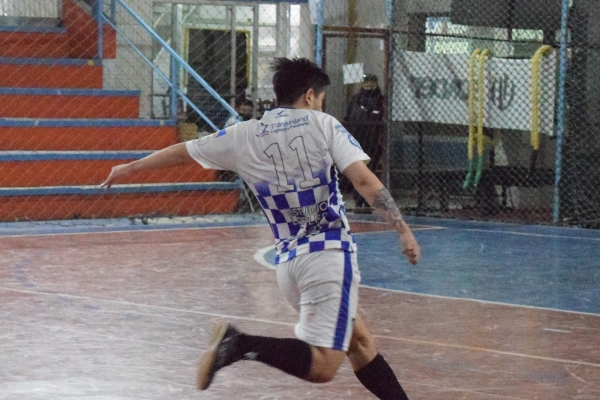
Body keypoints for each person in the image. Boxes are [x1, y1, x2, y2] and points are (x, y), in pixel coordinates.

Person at [101, 57, 420, 400]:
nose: (321, 105)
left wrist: (131, 167)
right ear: (309, 95)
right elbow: (364, 181)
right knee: (324, 365)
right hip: (327, 256)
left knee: (360, 343)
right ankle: (239, 344)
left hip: (289, 267)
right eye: (321, 98)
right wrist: (402, 229)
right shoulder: (324, 125)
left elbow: (184, 152)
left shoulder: (244, 134)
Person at [344, 74, 385, 212]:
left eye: (371, 82)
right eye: (366, 82)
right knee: (358, 171)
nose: (368, 85)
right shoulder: (356, 99)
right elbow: (348, 117)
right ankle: (358, 200)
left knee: (370, 171)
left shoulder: (380, 100)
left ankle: (368, 200)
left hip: (373, 141)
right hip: (357, 139)